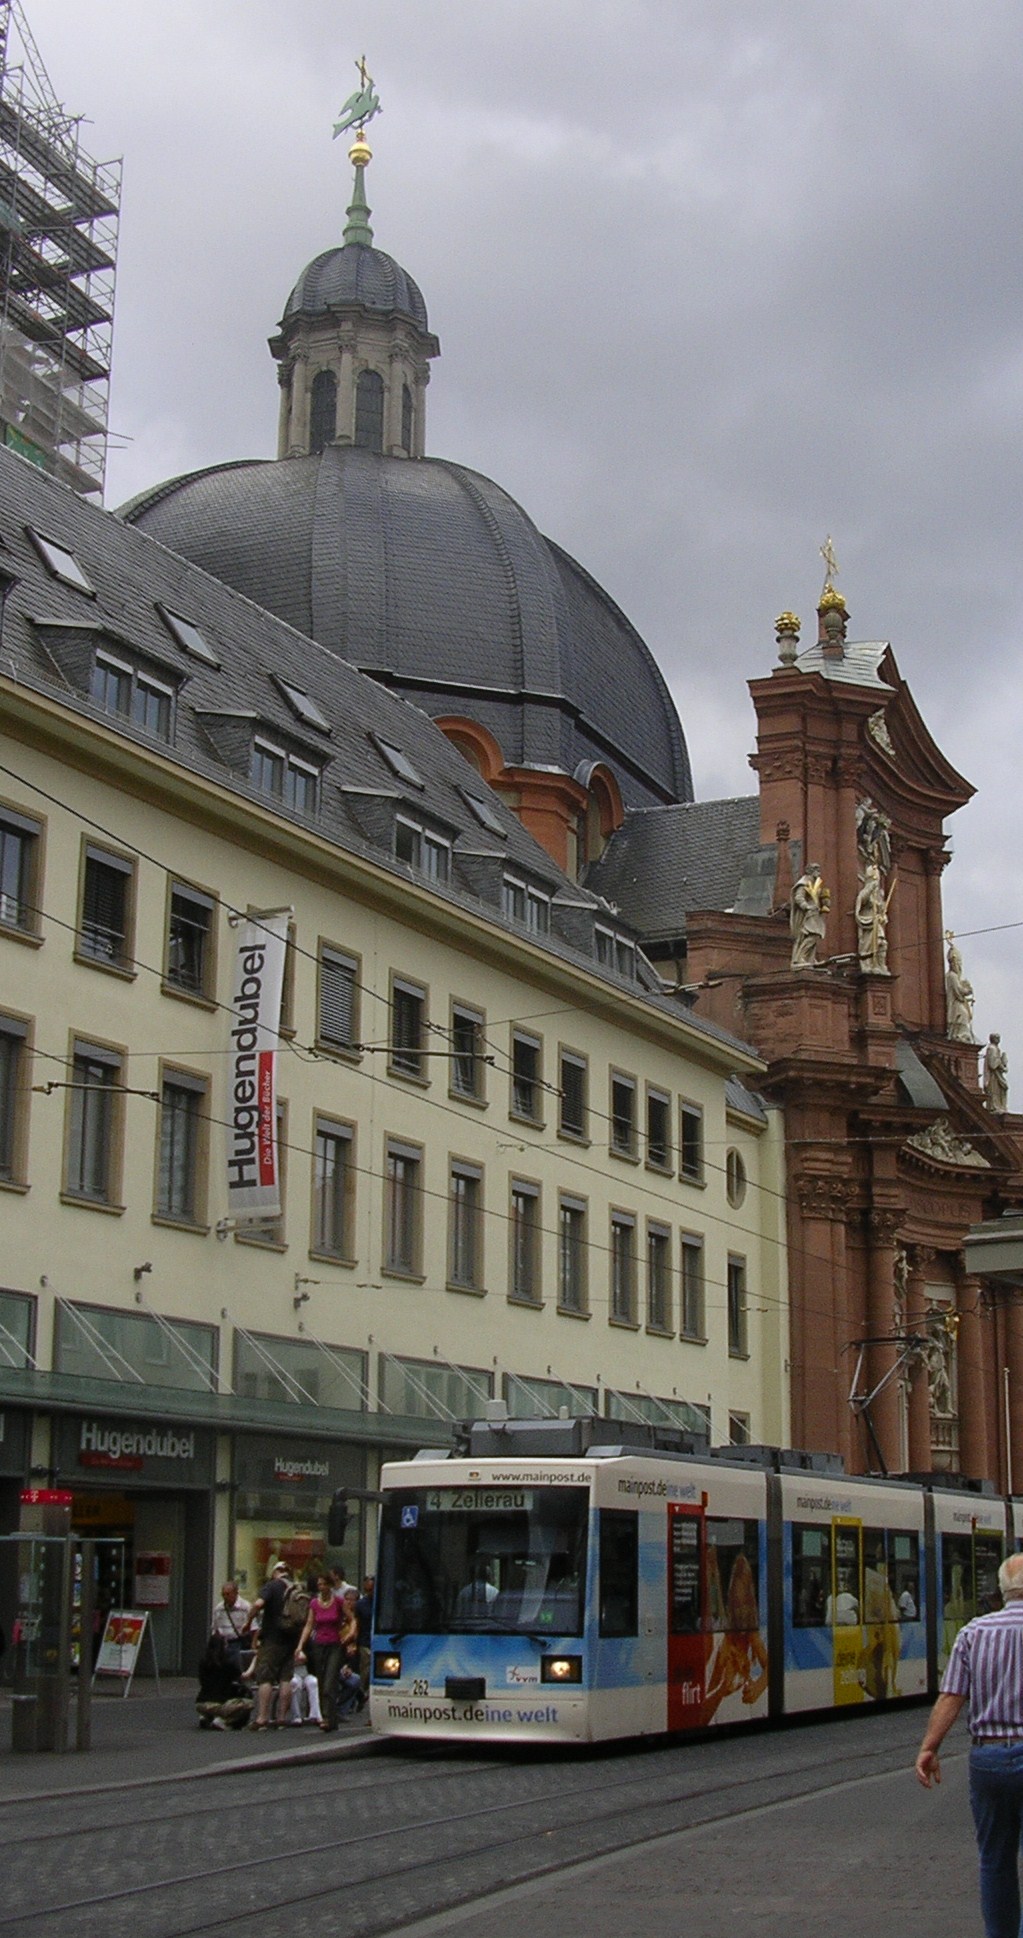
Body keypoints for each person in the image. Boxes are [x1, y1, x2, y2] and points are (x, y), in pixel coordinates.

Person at [916, 1552, 1023, 1938]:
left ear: (1002, 1590)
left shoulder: (973, 1632)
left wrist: (929, 1747)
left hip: (988, 1758)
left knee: (994, 1860)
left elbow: (951, 1697)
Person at [296, 1574, 349, 1731]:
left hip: (335, 1645)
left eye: (324, 1584)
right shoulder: (314, 1603)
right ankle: (329, 1718)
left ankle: (328, 1717)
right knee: (321, 1680)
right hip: (318, 1645)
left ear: (330, 1586)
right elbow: (309, 1625)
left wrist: (350, 1636)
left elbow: (351, 1619)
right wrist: (300, 1645)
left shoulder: (338, 1602)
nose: (321, 1588)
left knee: (329, 1681)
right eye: (319, 1585)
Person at [249, 1560, 298, 1731]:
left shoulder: (272, 1586)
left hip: (272, 1638)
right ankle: (282, 1718)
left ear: (275, 1571)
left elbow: (258, 1604)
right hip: (291, 1638)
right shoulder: (296, 1587)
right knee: (285, 1678)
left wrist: (248, 1620)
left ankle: (262, 1718)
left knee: (265, 1677)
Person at [790, 863, 829, 968]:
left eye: (819, 869)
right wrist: (806, 907)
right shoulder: (804, 883)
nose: (818, 872)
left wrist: (825, 902)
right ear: (809, 871)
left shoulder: (816, 884)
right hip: (808, 914)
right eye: (816, 869)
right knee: (812, 934)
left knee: (815, 935)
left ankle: (810, 958)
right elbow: (798, 897)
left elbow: (819, 898)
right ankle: (800, 958)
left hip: (815, 913)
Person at [210, 1579, 251, 1679]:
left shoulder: (245, 1607)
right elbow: (215, 1628)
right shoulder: (219, 1608)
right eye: (223, 1594)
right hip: (224, 1644)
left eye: (228, 1594)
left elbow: (254, 1628)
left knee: (238, 1670)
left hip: (238, 1643)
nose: (225, 1597)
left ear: (235, 1593)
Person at [984, 1034, 1009, 1114]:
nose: (998, 1039)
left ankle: (1000, 1106)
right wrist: (1001, 1063)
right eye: (996, 1038)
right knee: (995, 1090)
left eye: (999, 1038)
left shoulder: (996, 1049)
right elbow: (992, 1064)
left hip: (997, 1075)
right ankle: (995, 1106)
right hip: (993, 1076)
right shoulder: (992, 1048)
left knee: (1002, 1088)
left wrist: (1003, 1061)